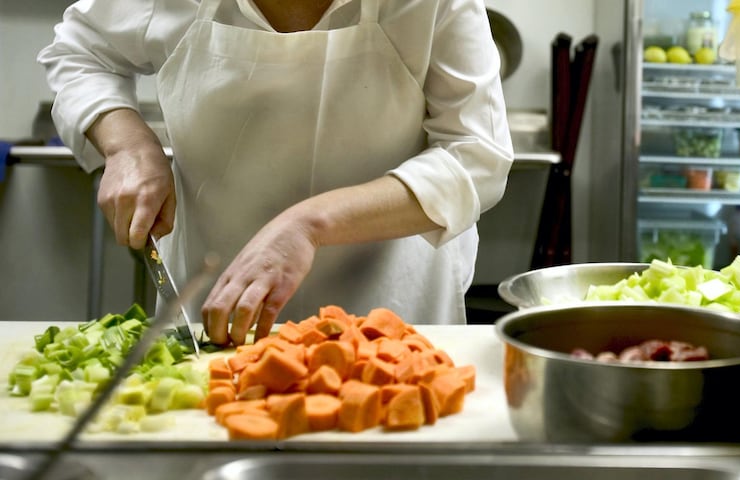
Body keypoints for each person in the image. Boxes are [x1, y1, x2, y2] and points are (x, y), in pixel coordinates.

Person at [38, 0, 514, 346]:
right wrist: (127, 144)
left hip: (394, 308)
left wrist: (310, 224)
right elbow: (80, 52)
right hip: (216, 300)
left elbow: (477, 155)